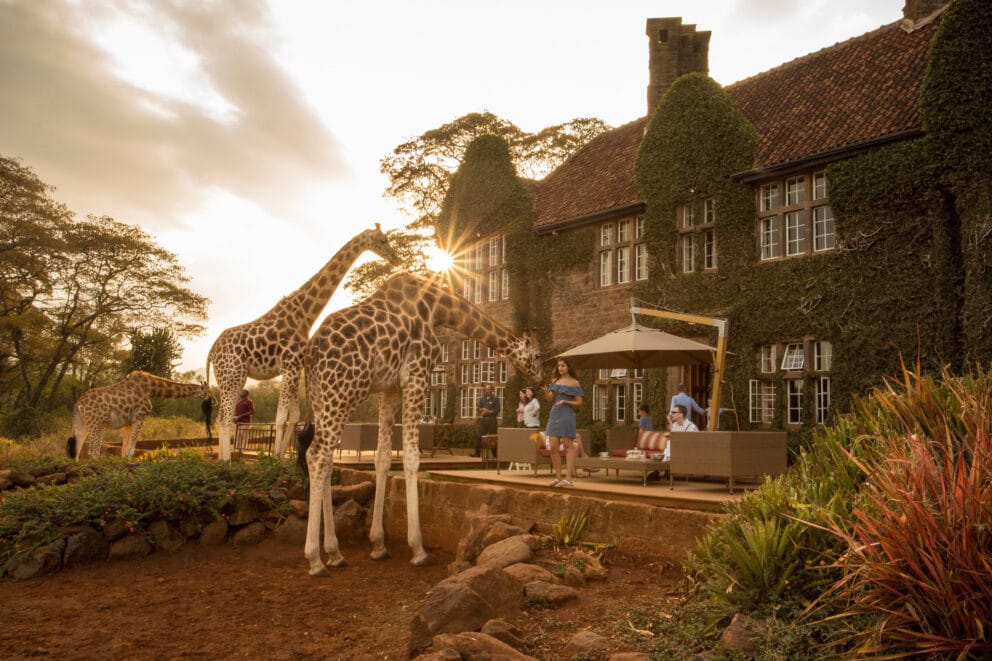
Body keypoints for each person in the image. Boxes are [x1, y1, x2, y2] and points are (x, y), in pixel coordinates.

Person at [544, 356, 583, 488]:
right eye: (559, 366)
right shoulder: (555, 381)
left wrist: (566, 401)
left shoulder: (575, 383)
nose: (560, 368)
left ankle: (569, 479)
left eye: (563, 366)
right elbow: (550, 399)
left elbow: (579, 402)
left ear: (569, 367)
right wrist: (545, 390)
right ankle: (558, 477)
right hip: (554, 414)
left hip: (567, 415)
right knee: (553, 447)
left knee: (568, 446)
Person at [474, 384, 500, 457]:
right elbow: (478, 408)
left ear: (492, 390)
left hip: (492, 420)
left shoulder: (495, 399)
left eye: (489, 389)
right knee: (479, 436)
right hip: (483, 420)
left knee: (492, 438)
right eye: (486, 389)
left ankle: (495, 455)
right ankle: (477, 453)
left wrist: (488, 411)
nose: (487, 391)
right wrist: (481, 410)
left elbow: (497, 410)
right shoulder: (482, 399)